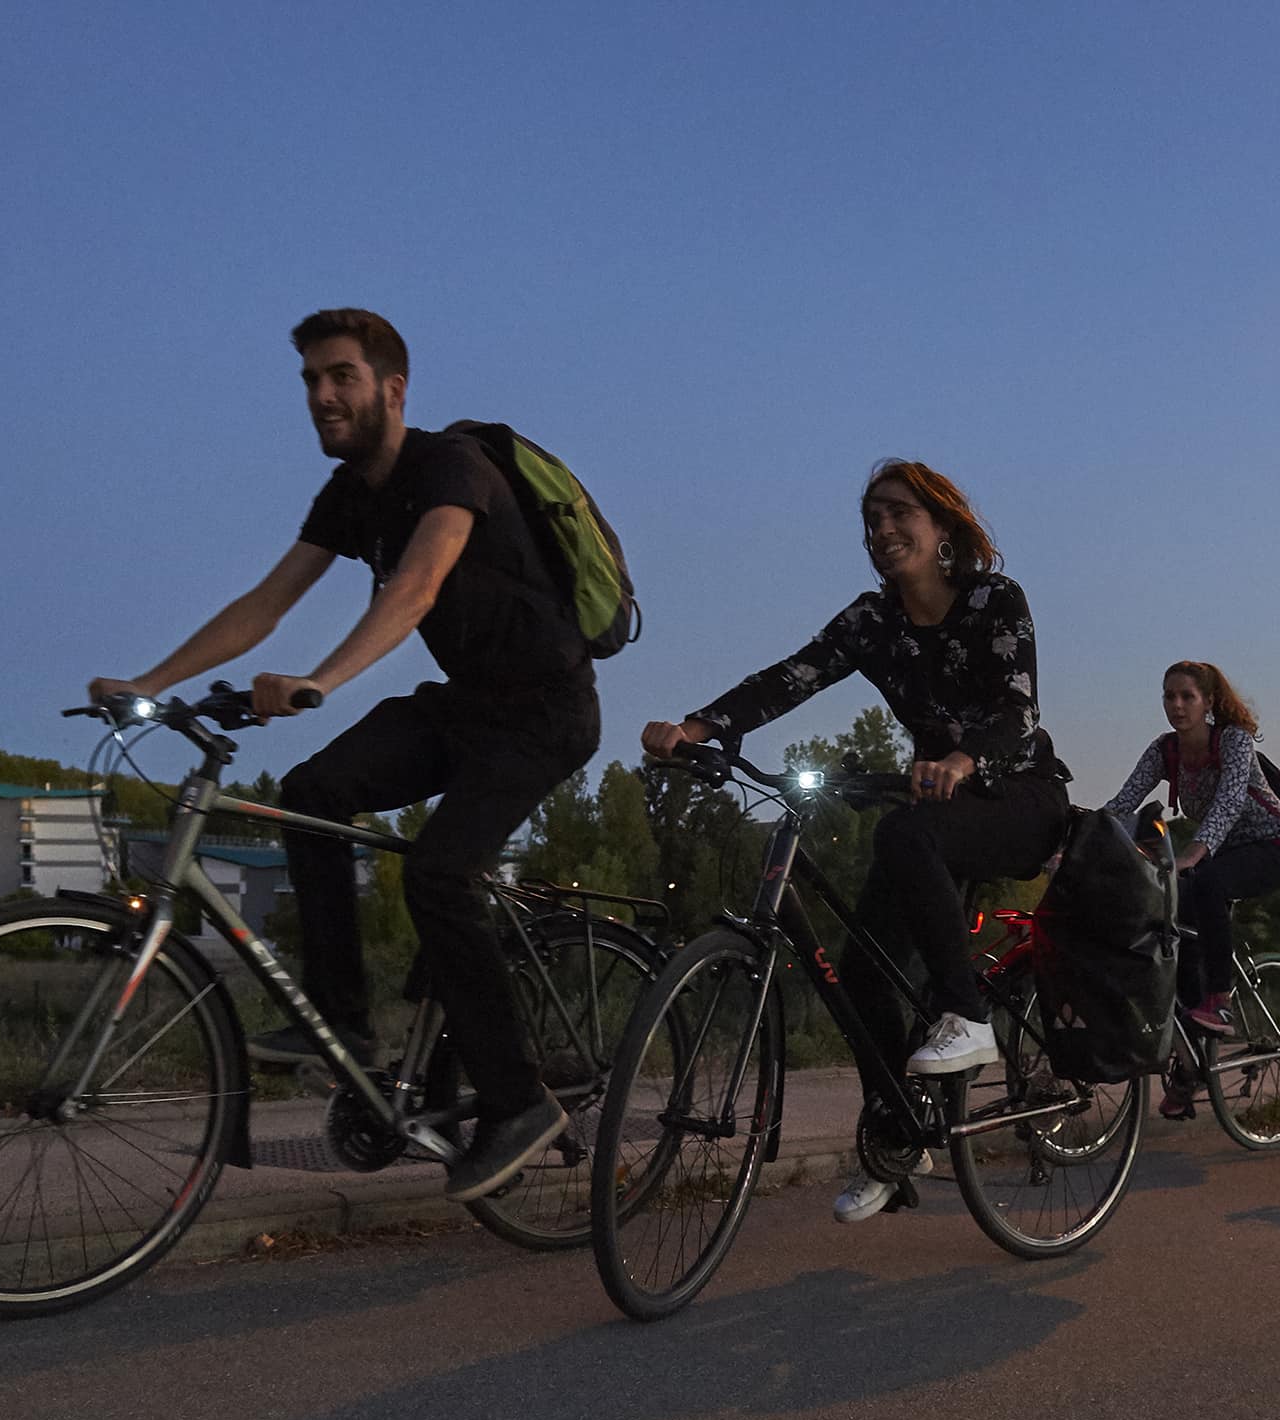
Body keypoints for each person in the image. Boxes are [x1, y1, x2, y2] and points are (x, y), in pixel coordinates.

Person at [87, 309, 597, 1204]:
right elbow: (265, 603)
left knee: (438, 875)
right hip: (465, 707)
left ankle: (519, 1104)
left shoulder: (452, 466)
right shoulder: (349, 494)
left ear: (392, 390)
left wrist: (321, 681)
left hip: (545, 712)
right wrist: (149, 684)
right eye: (311, 381)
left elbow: (419, 584)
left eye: (341, 377)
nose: (321, 396)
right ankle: (344, 1026)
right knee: (311, 793)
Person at [641, 459, 1070, 1224]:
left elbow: (1018, 710)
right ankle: (897, 1135)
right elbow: (792, 676)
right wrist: (698, 728)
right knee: (863, 969)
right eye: (871, 519)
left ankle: (968, 1017)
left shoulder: (994, 600)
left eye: (899, 513)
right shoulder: (874, 621)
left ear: (943, 526)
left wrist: (962, 760)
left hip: (1020, 797)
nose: (882, 530)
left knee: (904, 831)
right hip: (936, 807)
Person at [1099, 662, 1280, 1118]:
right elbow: (1123, 803)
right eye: (1169, 696)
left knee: (1205, 881)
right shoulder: (1164, 750)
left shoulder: (1232, 740)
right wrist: (1082, 834)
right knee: (1169, 922)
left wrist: (1194, 852)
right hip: (1217, 850)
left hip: (1270, 845)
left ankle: (1220, 1001)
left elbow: (1229, 801)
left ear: (1208, 701)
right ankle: (1190, 1063)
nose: (1177, 705)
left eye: (1187, 696)